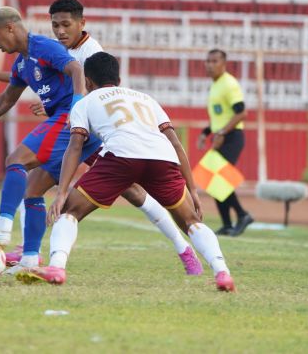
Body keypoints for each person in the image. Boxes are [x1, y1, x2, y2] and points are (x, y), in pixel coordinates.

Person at [0, 0, 205, 275]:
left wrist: (71, 106)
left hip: (92, 131)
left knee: (134, 192)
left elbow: (100, 91)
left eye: (66, 25)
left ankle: (183, 248)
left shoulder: (90, 53)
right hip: (69, 133)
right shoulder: (55, 50)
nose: (60, 31)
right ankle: (28, 252)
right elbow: (35, 73)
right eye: (55, 25)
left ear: (82, 24)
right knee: (33, 186)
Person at [16, 52, 236, 291]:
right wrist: (192, 189)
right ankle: (222, 273)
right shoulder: (146, 99)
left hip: (121, 158)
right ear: (118, 78)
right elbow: (175, 143)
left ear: (87, 82)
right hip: (161, 158)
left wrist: (61, 193)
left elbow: (75, 145)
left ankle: (57, 267)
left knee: (70, 211)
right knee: (191, 221)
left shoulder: (84, 102)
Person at [0, 7, 101, 272]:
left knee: (15, 160)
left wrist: (75, 105)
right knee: (32, 190)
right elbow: (6, 100)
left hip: (69, 117)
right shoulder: (22, 63)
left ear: (10, 28)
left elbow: (75, 68)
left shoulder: (43, 47)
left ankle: (3, 227)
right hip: (73, 124)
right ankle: (28, 261)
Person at [197, 49, 253, 237]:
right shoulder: (215, 85)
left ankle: (243, 215)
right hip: (221, 136)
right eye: (208, 61)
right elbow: (219, 117)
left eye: (214, 61)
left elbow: (241, 112)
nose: (210, 65)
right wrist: (206, 133)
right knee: (210, 180)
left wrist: (221, 133)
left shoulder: (229, 84)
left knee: (220, 180)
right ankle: (228, 223)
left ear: (224, 63)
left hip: (232, 138)